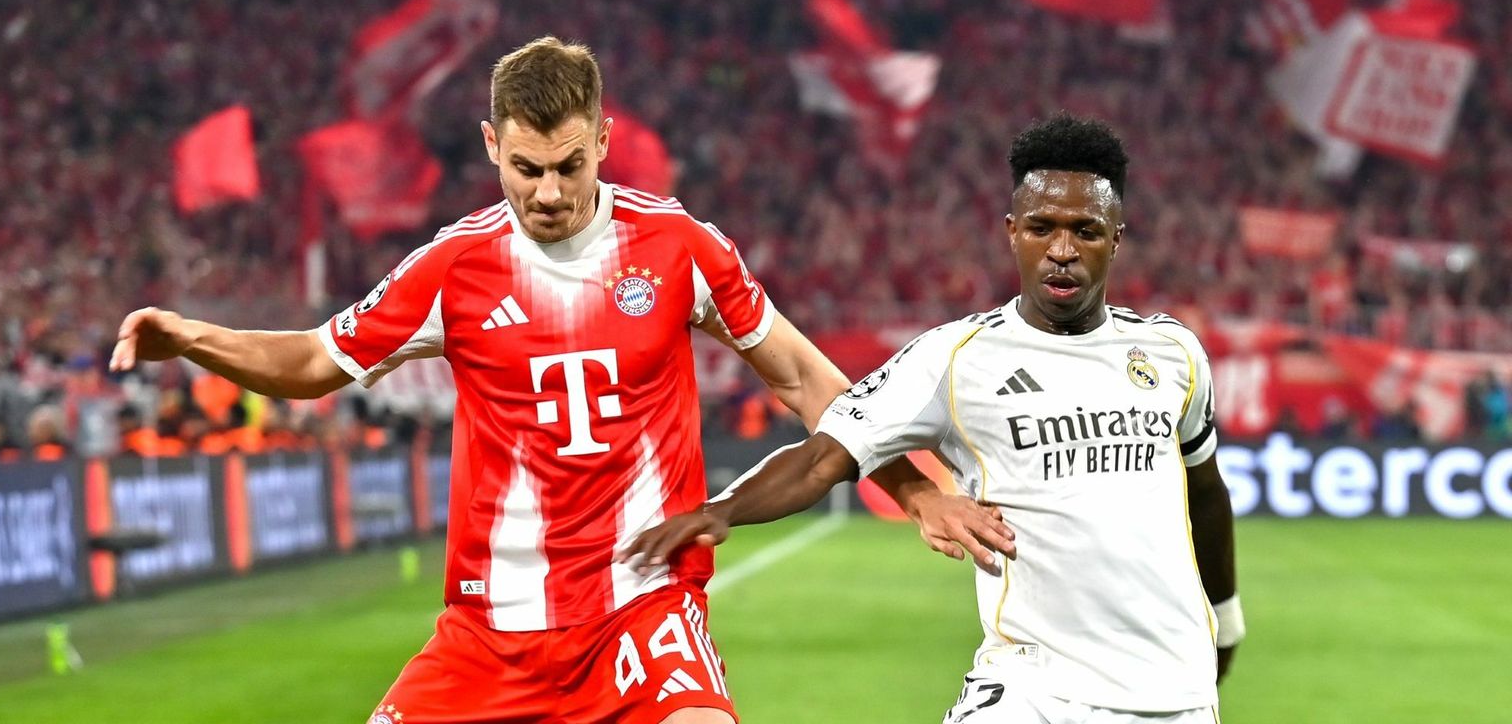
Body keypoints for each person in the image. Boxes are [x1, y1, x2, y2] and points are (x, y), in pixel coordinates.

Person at [109, 36, 1012, 724]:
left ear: (604, 141)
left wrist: (913, 489)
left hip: (641, 611)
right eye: (527, 168)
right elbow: (312, 362)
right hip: (488, 636)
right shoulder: (453, 268)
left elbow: (806, 379)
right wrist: (194, 338)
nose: (547, 192)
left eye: (570, 166)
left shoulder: (680, 248)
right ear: (491, 146)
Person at [623, 114, 1243, 724]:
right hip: (1031, 690)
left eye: (1086, 231)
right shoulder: (956, 357)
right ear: (1012, 232)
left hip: (1173, 695)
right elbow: (824, 457)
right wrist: (722, 511)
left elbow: (1205, 491)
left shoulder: (1173, 354)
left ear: (1116, 239)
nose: (1062, 251)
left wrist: (1227, 615)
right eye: (1041, 228)